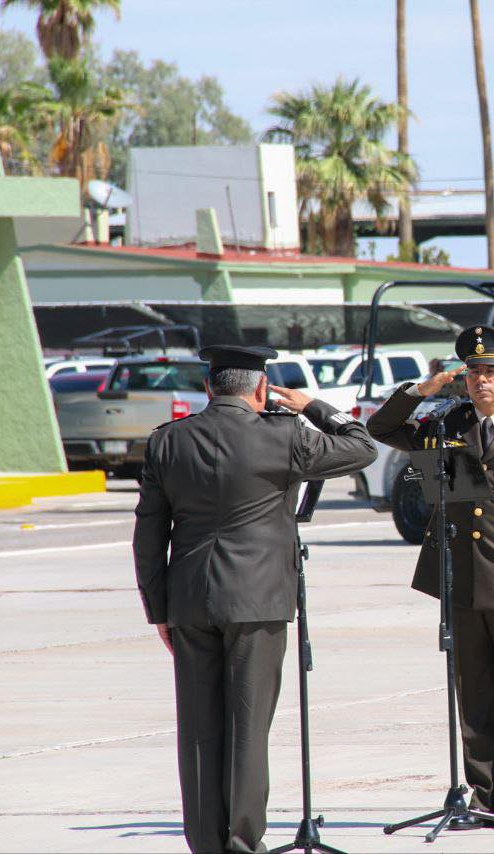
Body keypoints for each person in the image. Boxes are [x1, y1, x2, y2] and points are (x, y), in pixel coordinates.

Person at [133, 344, 377, 854]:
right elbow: (362, 445)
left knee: (199, 728)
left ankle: (205, 842)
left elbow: (149, 536)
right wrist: (311, 405)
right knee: (248, 727)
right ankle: (242, 841)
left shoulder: (167, 442)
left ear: (208, 388)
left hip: (191, 600)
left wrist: (160, 610)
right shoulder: (284, 435)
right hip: (259, 602)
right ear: (262, 390)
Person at [367, 325, 494, 830]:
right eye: (474, 372)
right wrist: (422, 390)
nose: (481, 380)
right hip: (460, 578)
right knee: (473, 692)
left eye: (491, 372)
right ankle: (480, 793)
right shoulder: (444, 423)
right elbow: (380, 429)